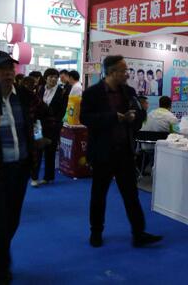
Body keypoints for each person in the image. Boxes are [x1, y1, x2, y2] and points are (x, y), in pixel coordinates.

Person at [80, 55, 162, 248]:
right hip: (102, 152)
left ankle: (138, 233)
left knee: (131, 194)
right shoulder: (92, 93)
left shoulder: (129, 91)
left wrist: (135, 116)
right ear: (112, 72)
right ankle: (96, 232)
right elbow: (85, 118)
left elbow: (140, 114)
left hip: (124, 151)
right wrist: (112, 117)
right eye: (124, 70)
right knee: (99, 194)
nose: (127, 74)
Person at [0, 51, 42, 284]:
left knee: (12, 220)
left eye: (10, 69)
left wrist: (42, 139)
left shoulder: (24, 95)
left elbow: (47, 114)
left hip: (20, 167)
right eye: (1, 69)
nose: (8, 73)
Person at [32, 68, 67, 187]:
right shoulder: (40, 89)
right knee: (37, 152)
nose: (53, 79)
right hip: (39, 125)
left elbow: (62, 110)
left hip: (53, 126)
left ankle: (48, 177)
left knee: (50, 152)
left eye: (56, 77)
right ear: (45, 78)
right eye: (51, 77)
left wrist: (56, 123)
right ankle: (34, 177)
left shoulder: (62, 92)